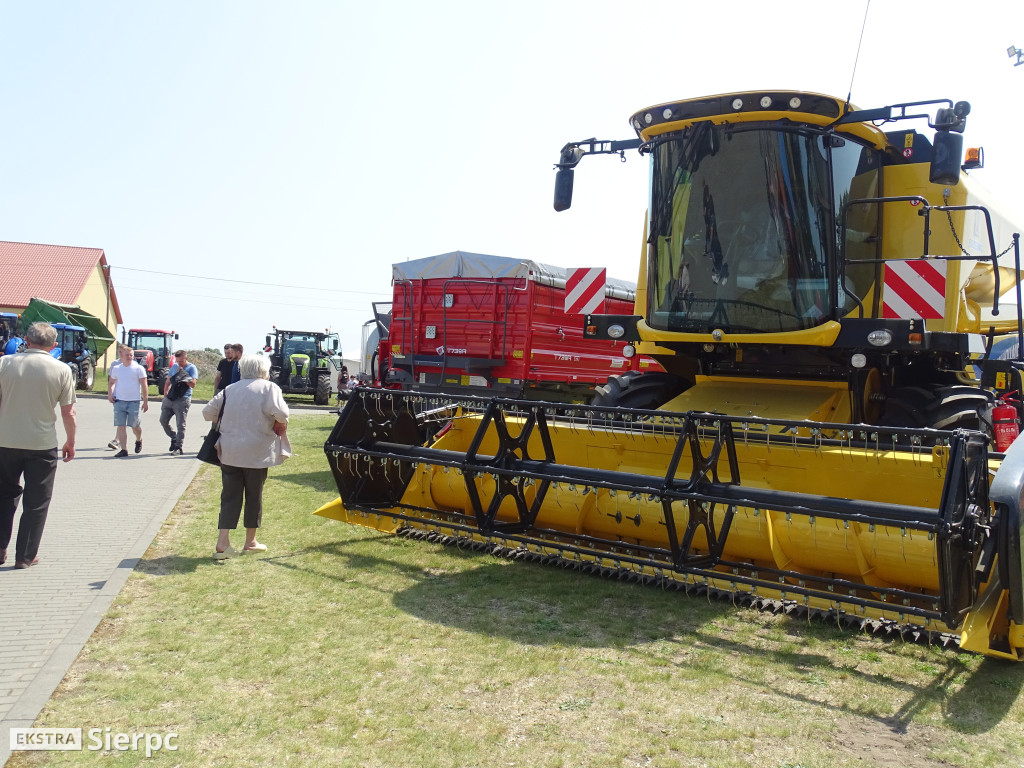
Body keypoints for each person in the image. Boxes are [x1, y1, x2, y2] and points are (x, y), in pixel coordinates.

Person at [0, 322, 77, 569]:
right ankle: (25, 556)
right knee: (37, 501)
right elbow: (68, 412)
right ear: (54, 345)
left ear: (26, 340)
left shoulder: (4, 363)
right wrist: (70, 441)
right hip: (42, 444)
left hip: (5, 441)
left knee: (3, 496)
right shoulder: (62, 369)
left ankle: (0, 549)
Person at [202, 354, 290, 559]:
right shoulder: (269, 388)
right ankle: (250, 541)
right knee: (254, 496)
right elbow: (283, 414)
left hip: (229, 452)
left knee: (229, 497)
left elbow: (208, 412)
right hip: (257, 453)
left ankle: (222, 542)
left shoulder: (230, 389)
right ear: (263, 370)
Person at [107, 344, 149, 457]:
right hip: (119, 401)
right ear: (122, 356)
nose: (129, 357)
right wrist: (110, 394)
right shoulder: (117, 368)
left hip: (134, 401)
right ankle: (124, 449)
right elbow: (111, 382)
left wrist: (145, 401)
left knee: (135, 425)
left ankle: (139, 439)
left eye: (131, 355)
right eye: (127, 355)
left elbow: (144, 385)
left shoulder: (138, 368)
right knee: (121, 425)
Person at [160, 350, 198, 455]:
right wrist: (165, 395)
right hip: (171, 398)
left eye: (181, 361)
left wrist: (182, 375)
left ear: (186, 358)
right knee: (163, 420)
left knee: (180, 424)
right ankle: (174, 437)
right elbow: (168, 381)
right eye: (177, 361)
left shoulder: (191, 368)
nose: (179, 363)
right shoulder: (174, 367)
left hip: (183, 398)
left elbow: (193, 384)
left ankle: (179, 447)